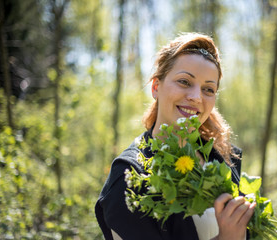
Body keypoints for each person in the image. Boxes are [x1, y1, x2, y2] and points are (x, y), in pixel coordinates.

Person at [95, 32, 255, 240]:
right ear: (156, 87)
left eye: (208, 89)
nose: (196, 97)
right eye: (184, 82)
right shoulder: (129, 175)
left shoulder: (222, 157)